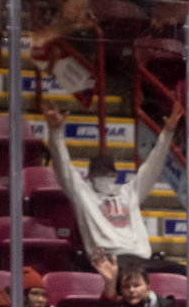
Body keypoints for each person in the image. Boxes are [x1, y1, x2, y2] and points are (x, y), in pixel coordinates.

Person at [45, 103, 179, 273]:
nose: (105, 177)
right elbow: (63, 169)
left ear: (115, 176)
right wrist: (56, 132)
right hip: (109, 259)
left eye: (109, 173)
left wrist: (167, 133)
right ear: (90, 177)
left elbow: (152, 167)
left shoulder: (130, 192)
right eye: (100, 173)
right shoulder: (84, 195)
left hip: (141, 259)